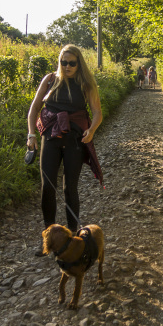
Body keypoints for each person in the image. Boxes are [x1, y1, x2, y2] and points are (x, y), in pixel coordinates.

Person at [27, 44, 103, 255]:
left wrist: (92, 130)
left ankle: (73, 237)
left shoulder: (86, 84)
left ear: (79, 64)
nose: (67, 66)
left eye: (71, 63)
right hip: (49, 138)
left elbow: (97, 113)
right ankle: (48, 238)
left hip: (74, 140)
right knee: (47, 187)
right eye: (63, 62)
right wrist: (31, 135)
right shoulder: (50, 79)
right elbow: (34, 108)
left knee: (70, 188)